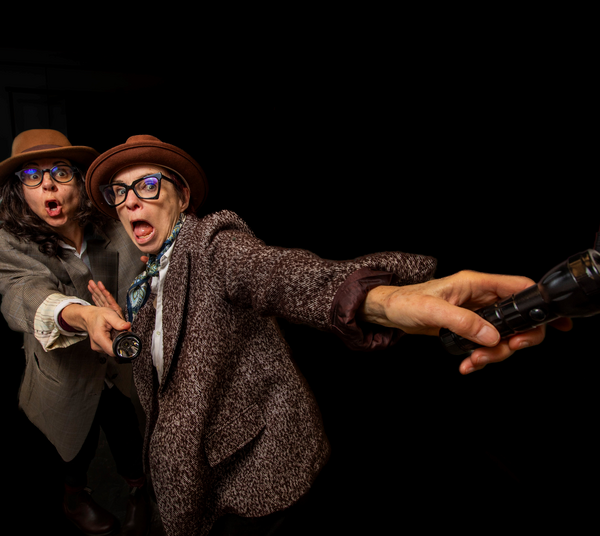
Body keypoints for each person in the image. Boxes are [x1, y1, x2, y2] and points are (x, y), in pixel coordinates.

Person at [84, 134, 569, 536]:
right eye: (118, 193)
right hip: (197, 478)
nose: (130, 201)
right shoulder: (147, 277)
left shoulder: (212, 244)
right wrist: (124, 331)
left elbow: (275, 273)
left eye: (147, 185)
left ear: (183, 196)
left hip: (256, 475)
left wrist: (377, 300)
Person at [0, 129, 152, 536]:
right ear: (19, 192)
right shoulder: (9, 243)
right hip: (62, 378)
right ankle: (74, 498)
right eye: (32, 175)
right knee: (73, 451)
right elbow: (23, 293)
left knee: (130, 440)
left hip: (119, 373)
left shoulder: (113, 226)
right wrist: (82, 316)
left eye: (61, 172)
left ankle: (138, 493)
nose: (48, 184)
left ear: (80, 183)